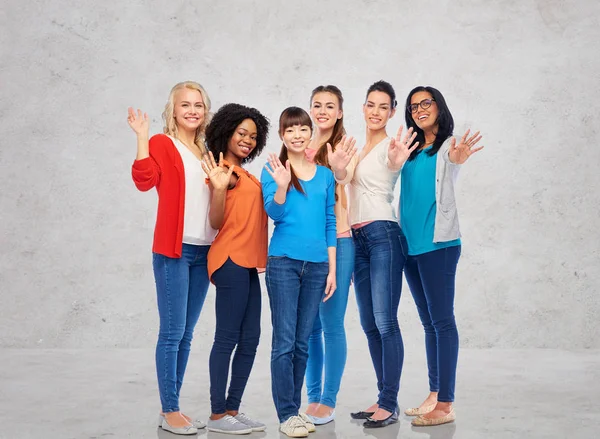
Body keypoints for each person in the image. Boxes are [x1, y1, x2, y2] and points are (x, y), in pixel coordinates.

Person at [328, 80, 418, 428]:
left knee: (385, 321)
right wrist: (338, 165)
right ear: (362, 108)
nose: (376, 111)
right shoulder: (354, 146)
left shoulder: (389, 146)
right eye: (370, 104)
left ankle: (390, 403)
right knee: (368, 324)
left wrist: (396, 161)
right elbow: (342, 178)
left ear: (392, 111)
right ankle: (383, 398)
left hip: (382, 234)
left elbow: (394, 165)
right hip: (357, 238)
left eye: (383, 106)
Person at [128, 81, 215, 435]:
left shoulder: (206, 150)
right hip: (173, 251)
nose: (192, 110)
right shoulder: (163, 144)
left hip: (203, 251)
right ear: (173, 110)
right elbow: (144, 180)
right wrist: (141, 137)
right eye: (185, 105)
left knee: (187, 333)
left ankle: (172, 405)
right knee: (172, 332)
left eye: (198, 105)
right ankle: (170, 409)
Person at [400, 86, 483, 427]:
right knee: (428, 322)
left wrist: (458, 157)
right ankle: (435, 393)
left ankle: (446, 404)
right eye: (413, 105)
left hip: (439, 247)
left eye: (426, 103)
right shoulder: (410, 149)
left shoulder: (449, 145)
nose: (420, 109)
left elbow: (454, 162)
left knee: (443, 322)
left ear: (438, 106)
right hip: (410, 248)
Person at [261, 107, 337, 438]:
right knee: (284, 341)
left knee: (303, 342)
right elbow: (272, 210)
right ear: (282, 136)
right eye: (289, 130)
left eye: (302, 128)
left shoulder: (324, 174)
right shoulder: (274, 169)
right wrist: (280, 185)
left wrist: (332, 269)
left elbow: (330, 222)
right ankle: (288, 412)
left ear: (310, 133)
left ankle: (294, 409)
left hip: (318, 266)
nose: (296, 134)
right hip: (283, 263)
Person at [201, 103, 270, 435]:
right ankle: (217, 416)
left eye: (253, 136)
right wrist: (217, 188)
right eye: (241, 133)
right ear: (226, 131)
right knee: (227, 338)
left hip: (249, 264)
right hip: (229, 260)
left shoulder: (247, 173)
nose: (247, 140)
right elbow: (215, 222)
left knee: (251, 338)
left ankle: (232, 408)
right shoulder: (222, 171)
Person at [303, 85, 357, 425]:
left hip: (339, 241)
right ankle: (312, 396)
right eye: (317, 105)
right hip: (305, 247)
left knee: (331, 324)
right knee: (308, 327)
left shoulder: (342, 146)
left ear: (339, 112)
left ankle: (328, 399)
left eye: (330, 106)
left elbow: (345, 176)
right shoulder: (298, 143)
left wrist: (338, 168)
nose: (323, 110)